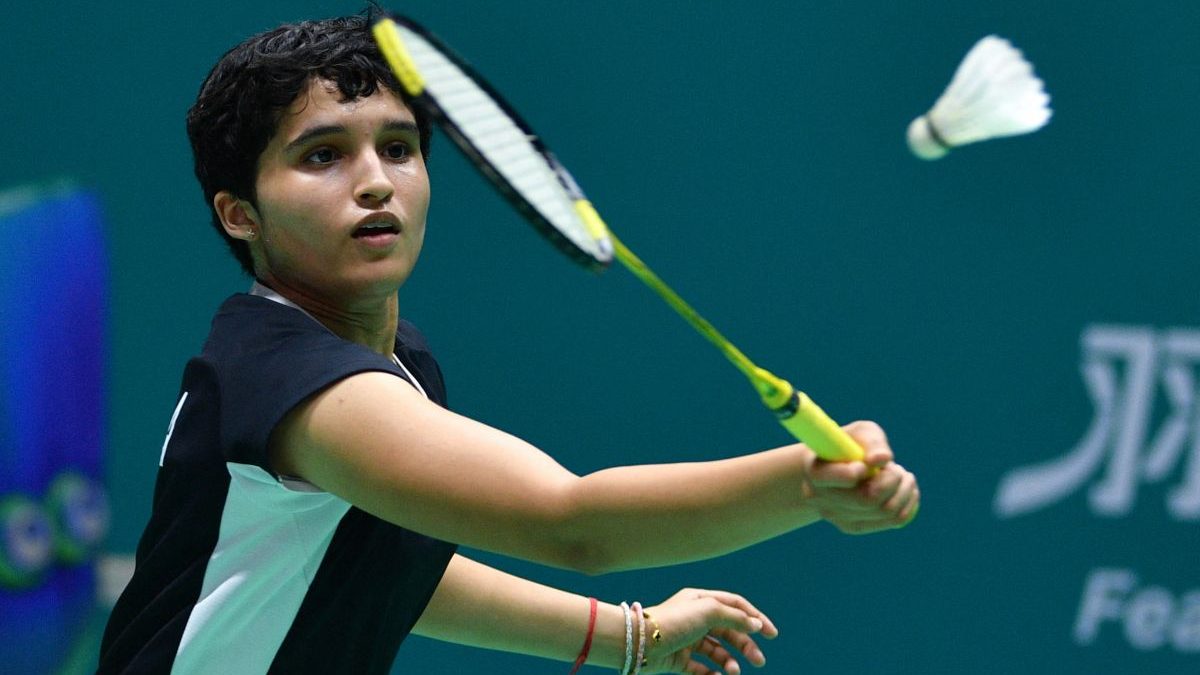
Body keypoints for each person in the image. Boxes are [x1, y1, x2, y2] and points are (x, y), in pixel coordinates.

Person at [98, 12, 920, 674]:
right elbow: (573, 524)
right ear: (238, 212)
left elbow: (390, 573)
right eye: (323, 155)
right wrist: (808, 483)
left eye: (398, 146)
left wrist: (629, 637)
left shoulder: (395, 361)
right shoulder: (296, 383)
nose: (377, 179)